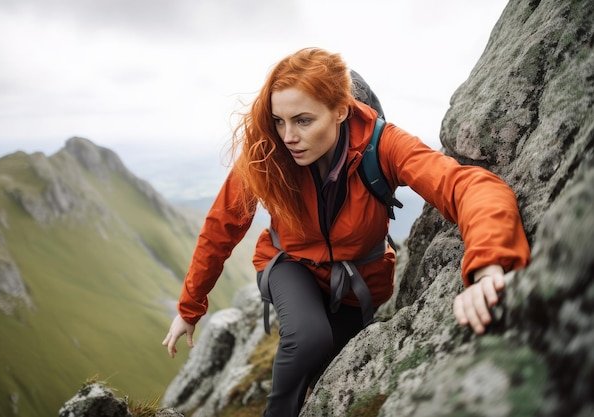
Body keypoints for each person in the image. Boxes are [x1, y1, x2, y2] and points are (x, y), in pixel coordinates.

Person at [162, 47, 530, 416]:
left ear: (341, 110)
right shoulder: (267, 151)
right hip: (289, 264)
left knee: (329, 369)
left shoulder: (383, 146)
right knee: (308, 338)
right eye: (279, 120)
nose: (287, 136)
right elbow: (221, 227)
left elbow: (471, 187)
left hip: (359, 282)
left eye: (303, 120)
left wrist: (489, 266)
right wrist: (189, 308)